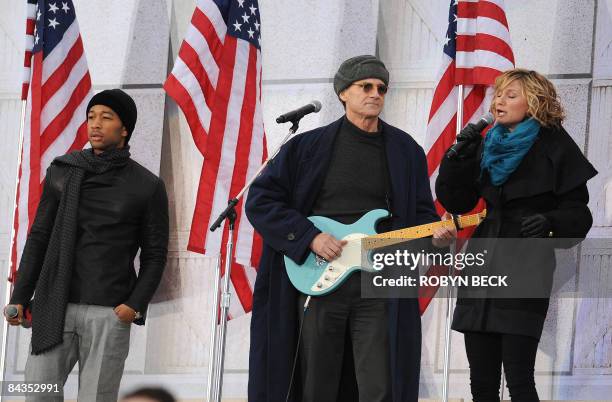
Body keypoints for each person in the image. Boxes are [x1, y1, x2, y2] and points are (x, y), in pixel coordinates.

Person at [245, 55, 455, 402]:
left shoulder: (406, 151)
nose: (375, 94)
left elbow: (420, 216)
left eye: (381, 88)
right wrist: (310, 237)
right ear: (343, 92)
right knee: (317, 381)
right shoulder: (305, 147)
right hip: (321, 279)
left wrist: (435, 235)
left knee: (379, 383)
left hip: (379, 282)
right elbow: (261, 200)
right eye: (366, 86)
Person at [435, 69, 597, 401]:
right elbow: (457, 201)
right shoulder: (487, 143)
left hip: (525, 268)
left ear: (534, 103)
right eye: (498, 95)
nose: (499, 102)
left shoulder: (554, 145)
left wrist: (549, 223)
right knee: (481, 383)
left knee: (519, 379)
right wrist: (457, 158)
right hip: (482, 264)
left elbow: (579, 215)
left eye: (511, 95)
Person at [5, 89, 169, 402]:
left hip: (109, 311)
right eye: (91, 117)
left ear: (124, 129)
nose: (95, 124)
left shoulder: (147, 185)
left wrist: (133, 306)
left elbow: (154, 255)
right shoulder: (62, 172)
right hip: (55, 305)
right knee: (36, 394)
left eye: (106, 118)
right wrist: (21, 296)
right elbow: (39, 236)